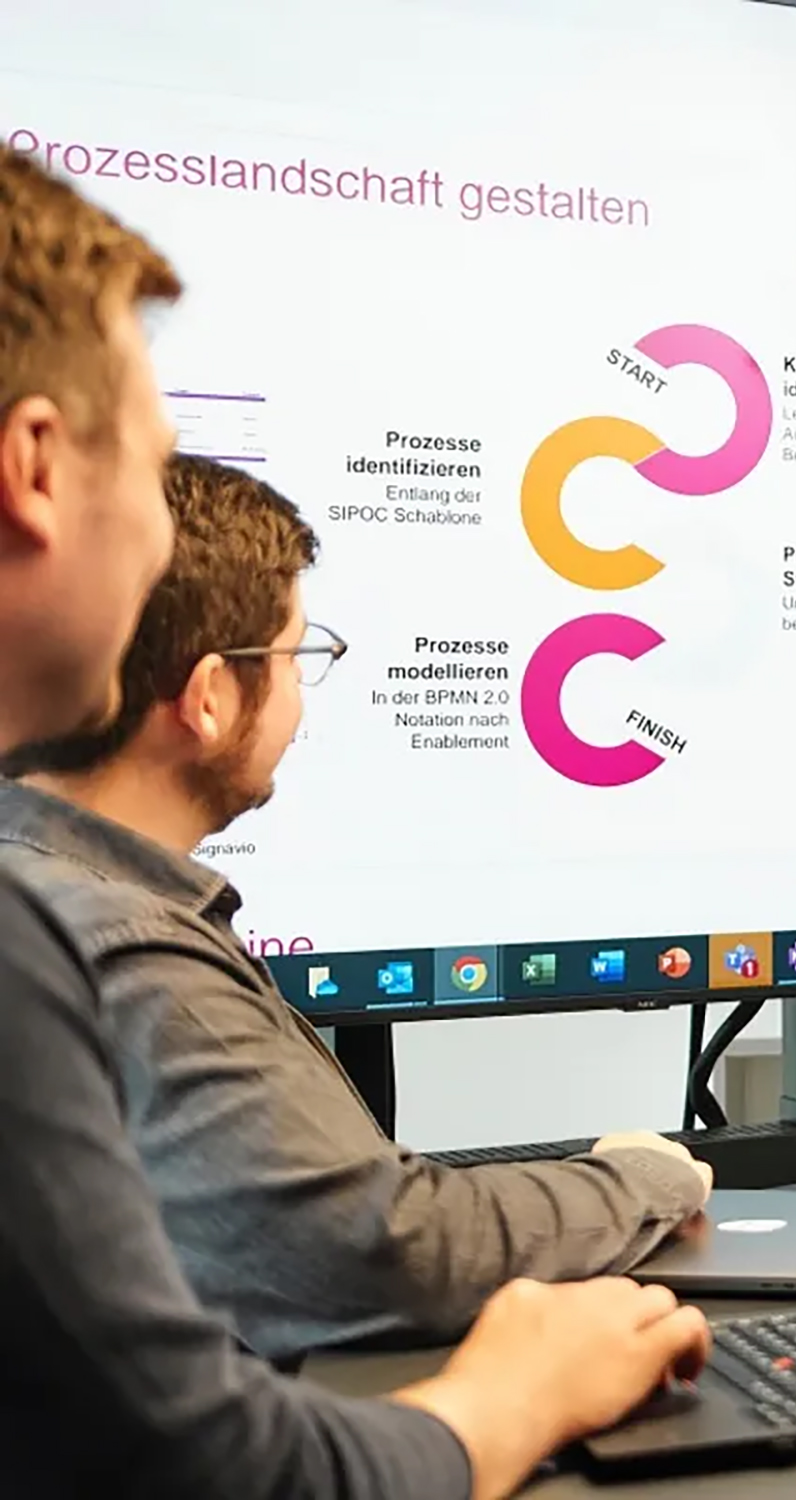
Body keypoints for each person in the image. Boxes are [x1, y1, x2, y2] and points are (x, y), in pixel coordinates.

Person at [0, 143, 709, 1497]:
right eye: (149, 466)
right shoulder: (60, 932)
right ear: (37, 467)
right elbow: (224, 1448)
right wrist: (512, 1396)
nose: (158, 539)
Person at [0, 451, 714, 1368]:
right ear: (209, 697)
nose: (303, 698)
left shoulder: (52, 889)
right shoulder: (130, 952)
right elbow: (391, 1251)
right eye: (297, 657)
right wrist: (640, 1178)